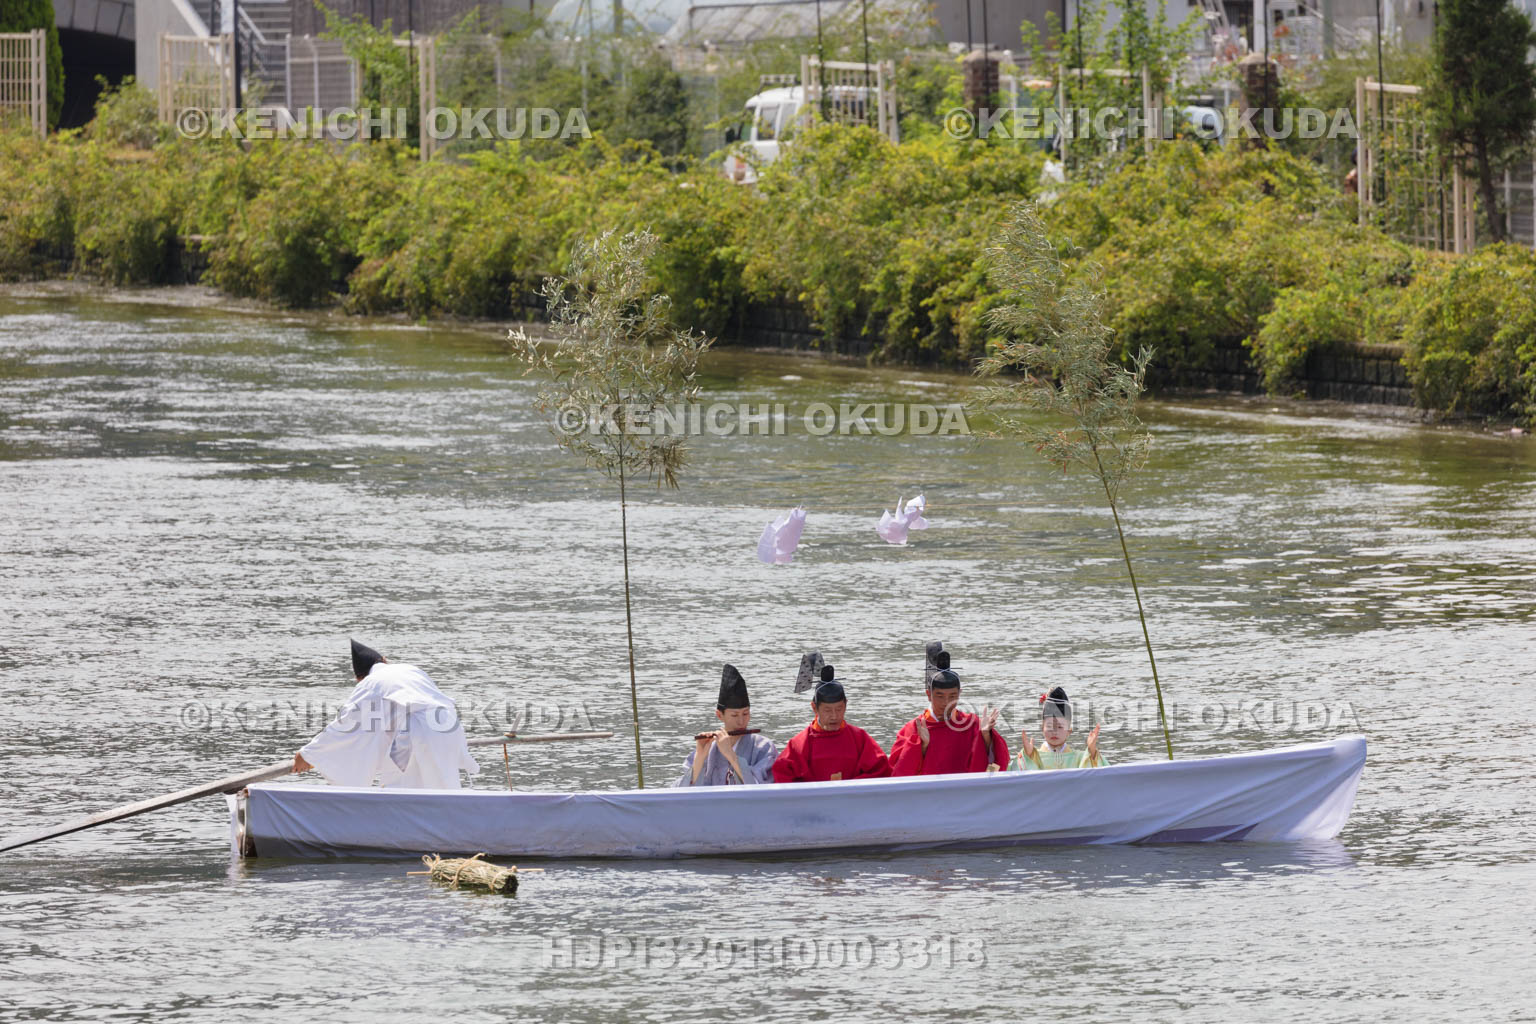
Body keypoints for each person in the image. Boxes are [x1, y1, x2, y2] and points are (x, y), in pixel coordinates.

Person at [291, 639, 481, 789]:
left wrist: (308, 754)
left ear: (359, 678)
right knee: (444, 787)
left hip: (420, 733)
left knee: (404, 792)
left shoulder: (371, 682)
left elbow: (345, 724)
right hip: (449, 726)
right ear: (384, 660)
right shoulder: (410, 669)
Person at [889, 650, 1009, 776]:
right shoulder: (913, 728)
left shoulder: (972, 724)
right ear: (929, 695)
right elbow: (897, 775)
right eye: (940, 696)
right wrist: (921, 747)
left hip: (966, 792)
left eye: (952, 696)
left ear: (959, 694)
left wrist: (986, 737)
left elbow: (996, 768)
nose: (946, 702)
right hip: (928, 794)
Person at [772, 665, 891, 783]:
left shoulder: (860, 739)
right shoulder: (799, 745)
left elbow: (881, 770)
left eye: (839, 709)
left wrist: (849, 787)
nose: (834, 716)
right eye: (827, 710)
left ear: (846, 705)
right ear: (815, 708)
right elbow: (782, 776)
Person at [674, 664, 778, 786]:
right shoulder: (709, 747)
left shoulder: (764, 748)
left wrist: (731, 756)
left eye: (745, 713)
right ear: (719, 715)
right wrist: (700, 758)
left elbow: (763, 790)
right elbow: (680, 793)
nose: (741, 721)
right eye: (734, 715)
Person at [1015, 686, 1107, 771]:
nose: (1054, 731)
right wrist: (1028, 757)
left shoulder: (1080, 758)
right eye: (1050, 726)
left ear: (1069, 731)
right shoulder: (1034, 755)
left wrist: (1092, 751)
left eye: (1060, 727)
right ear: (1042, 728)